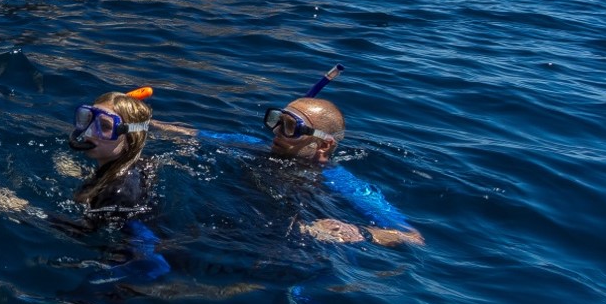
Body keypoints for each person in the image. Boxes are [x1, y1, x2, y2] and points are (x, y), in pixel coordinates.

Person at [156, 65, 424, 248]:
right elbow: (190, 134)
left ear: (324, 146)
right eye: (276, 121)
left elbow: (413, 237)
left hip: (291, 237)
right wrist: (133, 121)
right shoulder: (254, 146)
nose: (276, 133)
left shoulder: (340, 181)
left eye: (290, 127)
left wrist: (358, 232)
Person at [68, 86, 155, 210]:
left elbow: (82, 228)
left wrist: (31, 211)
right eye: (89, 119)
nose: (88, 132)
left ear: (129, 140)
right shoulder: (142, 163)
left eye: (104, 126)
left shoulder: (115, 192)